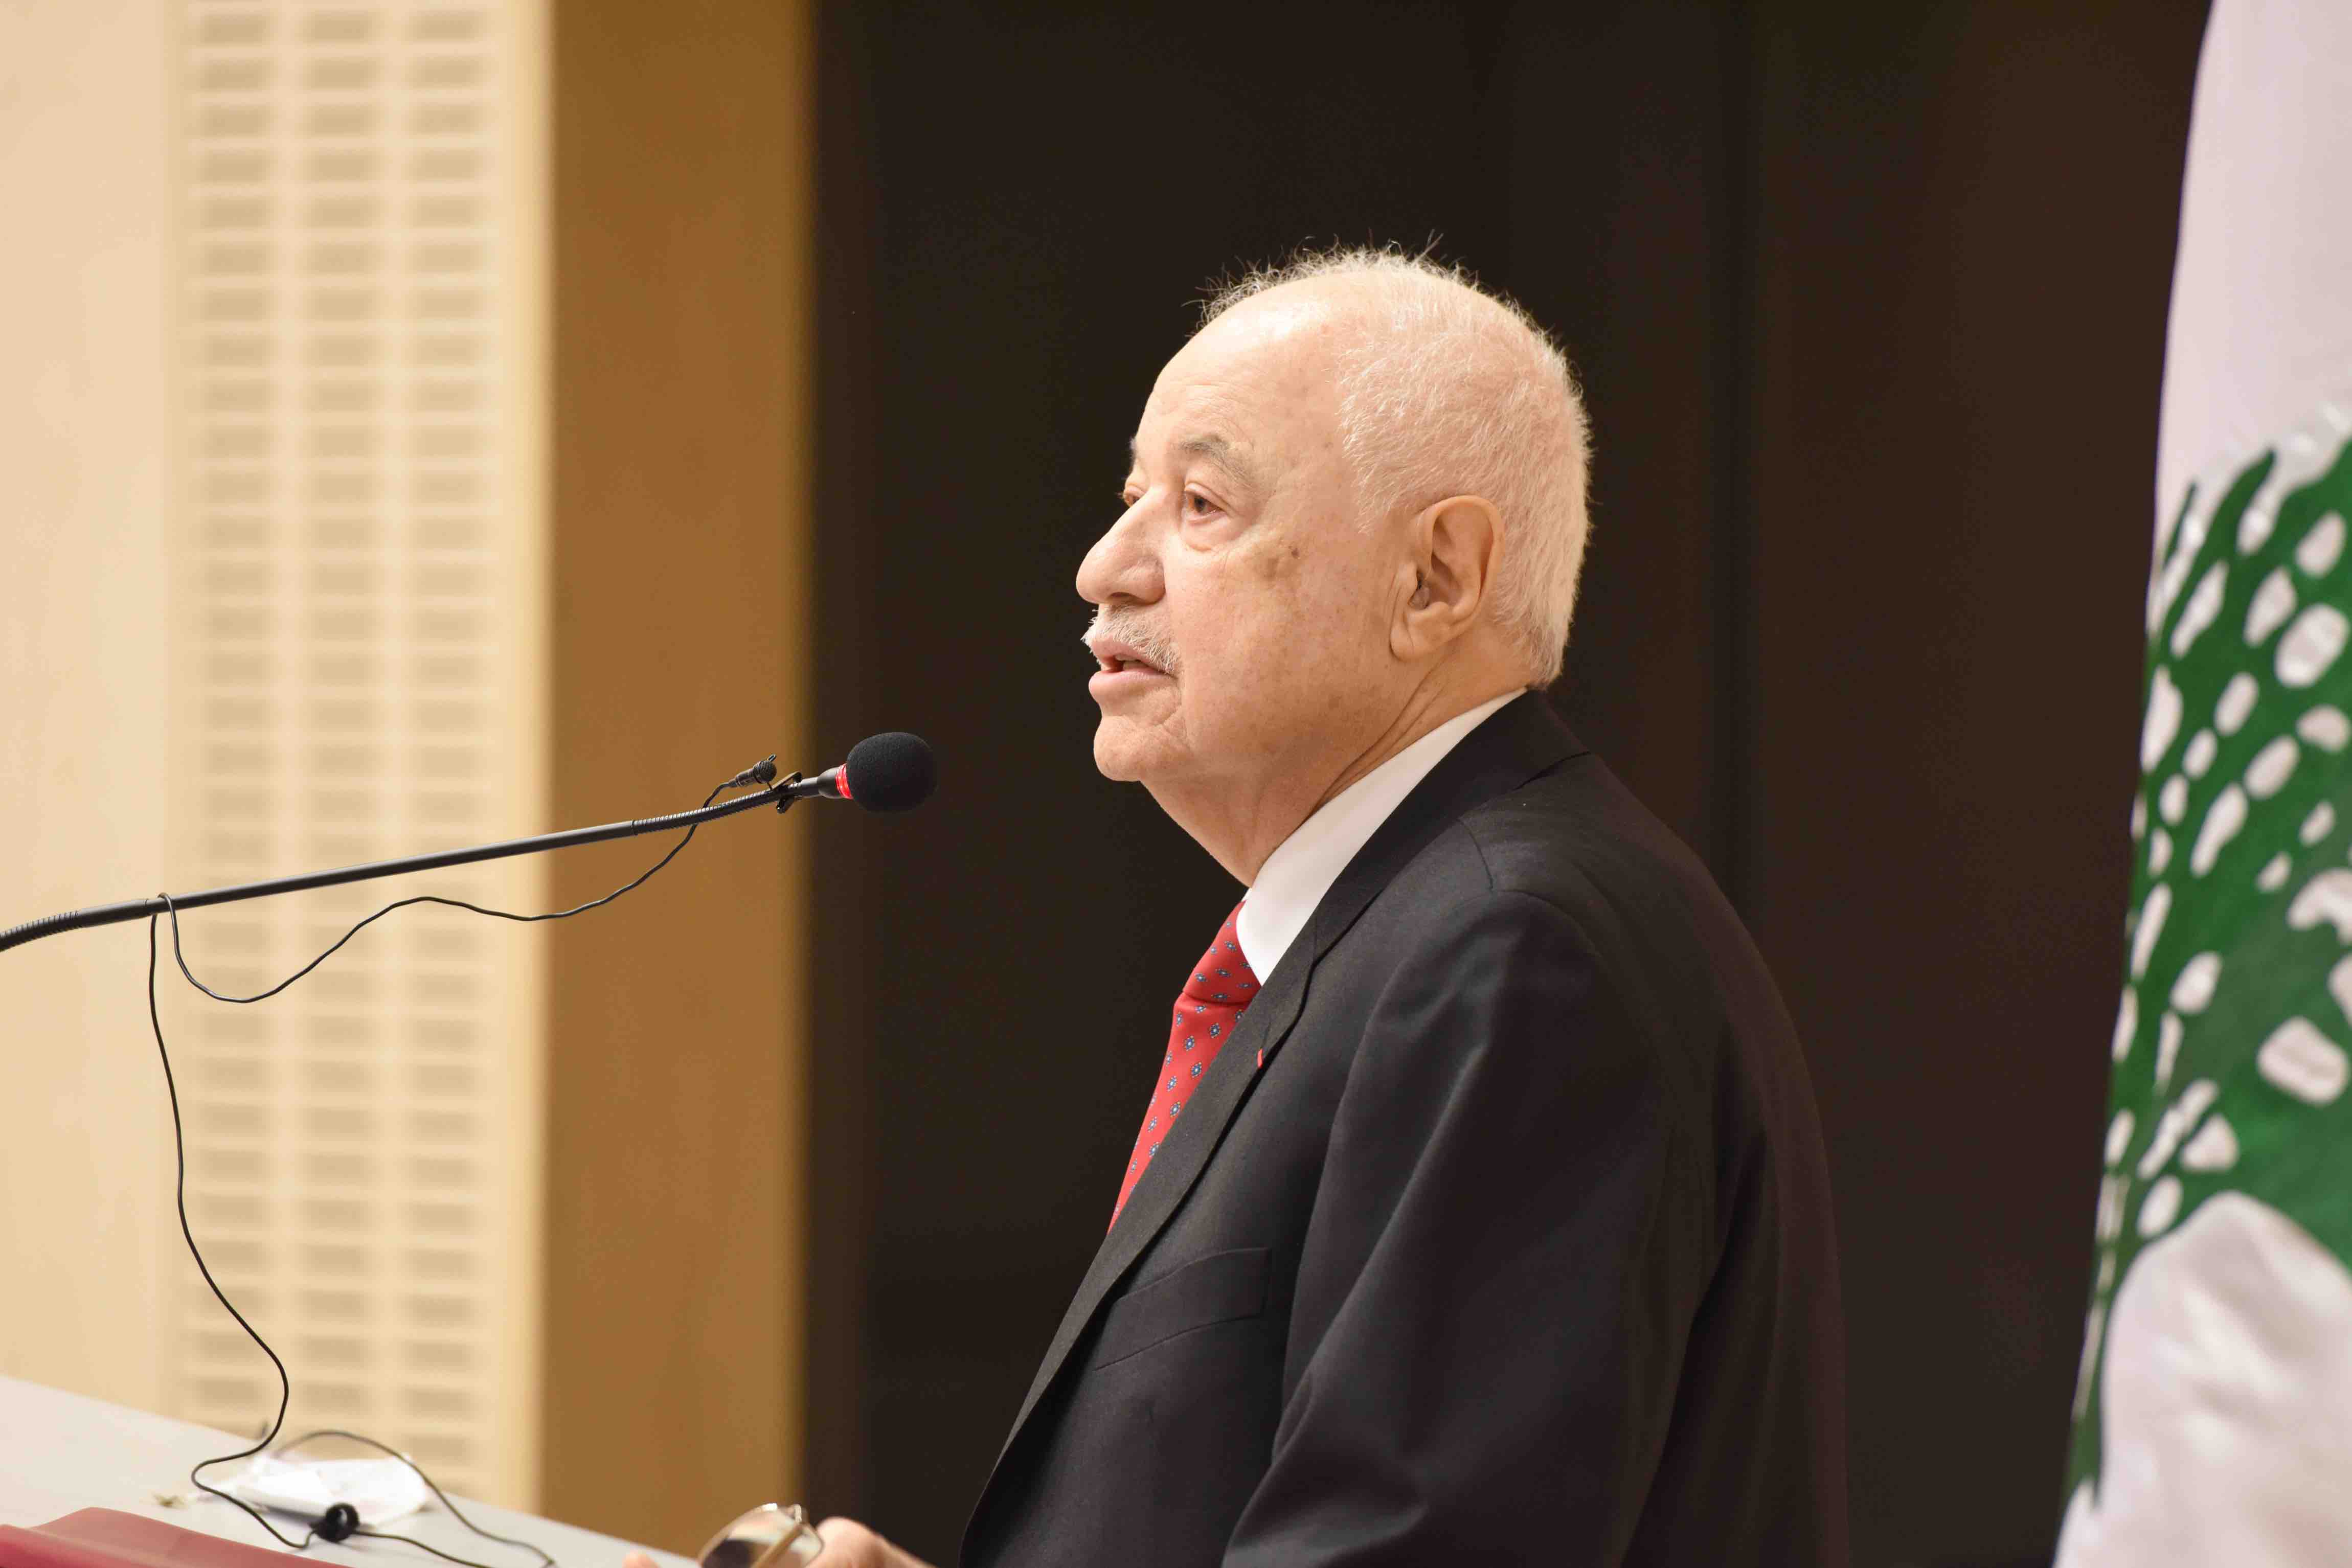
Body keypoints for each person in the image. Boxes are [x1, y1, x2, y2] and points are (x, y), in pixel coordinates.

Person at [653, 247, 1848, 1566]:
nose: (1103, 568)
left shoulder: (1514, 951)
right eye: (1130, 500)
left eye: (1202, 504)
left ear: (1435, 578)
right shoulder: (1407, 929)